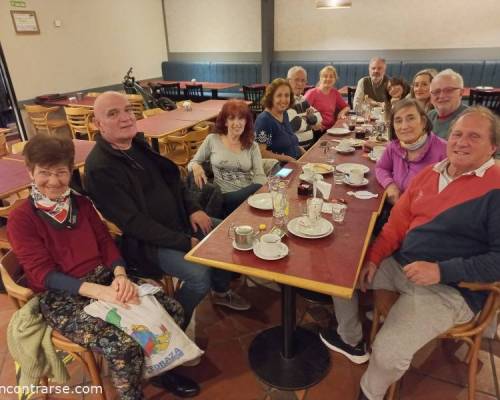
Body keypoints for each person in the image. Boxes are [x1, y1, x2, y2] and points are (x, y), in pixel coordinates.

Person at [321, 106, 500, 400]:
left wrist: (442, 271)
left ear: (493, 146)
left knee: (388, 352)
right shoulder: (431, 173)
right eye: (457, 134)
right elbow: (397, 224)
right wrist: (375, 258)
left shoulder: (496, 186)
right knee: (340, 273)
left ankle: (369, 394)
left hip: (450, 289)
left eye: (474, 136)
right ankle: (351, 339)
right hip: (402, 265)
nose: (461, 142)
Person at [7, 134, 200, 399]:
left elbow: (105, 243)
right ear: (30, 172)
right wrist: (99, 292)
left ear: (70, 171)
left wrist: (119, 275)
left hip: (105, 279)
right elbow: (43, 274)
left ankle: (160, 370)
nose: (53, 181)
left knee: (173, 310)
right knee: (123, 345)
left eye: (61, 172)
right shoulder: (21, 218)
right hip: (63, 297)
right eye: (44, 173)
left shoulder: (82, 204)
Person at [84, 91, 251, 329]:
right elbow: (134, 224)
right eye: (113, 114)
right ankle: (172, 326)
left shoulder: (138, 146)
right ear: (98, 123)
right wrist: (185, 242)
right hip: (147, 244)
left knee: (226, 233)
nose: (126, 118)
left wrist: (193, 208)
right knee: (198, 275)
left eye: (128, 110)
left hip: (181, 221)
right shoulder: (100, 168)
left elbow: (175, 182)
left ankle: (221, 292)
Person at [188, 100, 266, 216]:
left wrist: (257, 194)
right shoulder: (212, 139)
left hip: (247, 191)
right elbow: (192, 163)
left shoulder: (252, 145)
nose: (237, 123)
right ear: (225, 122)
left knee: (262, 186)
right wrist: (195, 166)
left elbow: (260, 175)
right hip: (223, 197)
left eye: (241, 118)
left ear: (246, 122)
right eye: (232, 119)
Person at [376, 98, 447, 205]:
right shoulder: (394, 146)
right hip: (396, 209)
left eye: (410, 118)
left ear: (423, 122)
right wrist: (390, 185)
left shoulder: (444, 151)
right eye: (398, 121)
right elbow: (381, 168)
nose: (404, 126)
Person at [255, 78, 305, 163]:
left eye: (287, 95)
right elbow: (261, 153)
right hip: (279, 170)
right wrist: (287, 158)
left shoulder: (284, 114)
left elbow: (287, 140)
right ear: (271, 98)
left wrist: (300, 150)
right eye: (279, 95)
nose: (284, 100)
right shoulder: (265, 120)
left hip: (295, 161)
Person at [304, 65, 349, 132]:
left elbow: (346, 107)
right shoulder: (312, 93)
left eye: (331, 76)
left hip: (332, 128)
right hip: (317, 131)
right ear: (320, 78)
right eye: (325, 76)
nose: (328, 79)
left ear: (335, 79)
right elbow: (302, 113)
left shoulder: (335, 92)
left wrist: (342, 112)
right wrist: (313, 125)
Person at [286, 66, 323, 148]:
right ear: (288, 81)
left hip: (309, 147)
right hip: (295, 150)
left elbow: (319, 117)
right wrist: (312, 123)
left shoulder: (302, 99)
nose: (300, 83)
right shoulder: (285, 100)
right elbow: (296, 125)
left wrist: (306, 119)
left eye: (303, 80)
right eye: (296, 80)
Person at [428, 68, 468, 139]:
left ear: (461, 92)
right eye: (436, 91)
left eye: (449, 90)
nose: (442, 96)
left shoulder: (472, 119)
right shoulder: (429, 116)